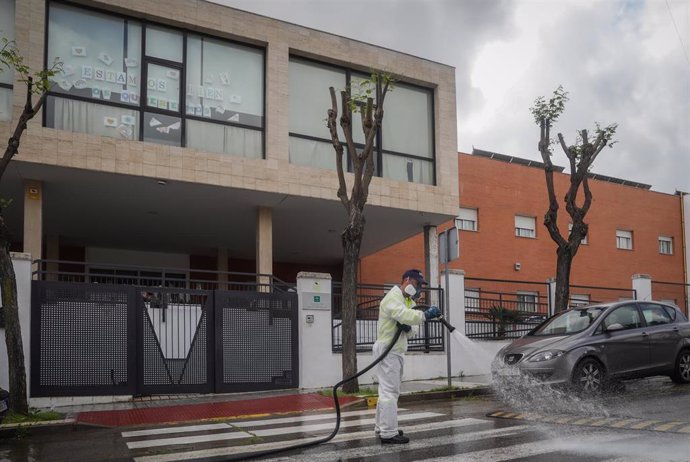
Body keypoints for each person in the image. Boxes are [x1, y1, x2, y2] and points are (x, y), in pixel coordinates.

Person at [373, 269, 441, 444]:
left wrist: (409, 328)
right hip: (388, 348)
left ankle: (382, 427)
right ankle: (388, 433)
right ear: (407, 280)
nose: (419, 289)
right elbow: (404, 315)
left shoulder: (408, 301)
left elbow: (413, 327)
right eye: (417, 284)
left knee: (387, 390)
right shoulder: (393, 297)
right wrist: (424, 315)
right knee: (390, 391)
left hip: (395, 349)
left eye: (421, 286)